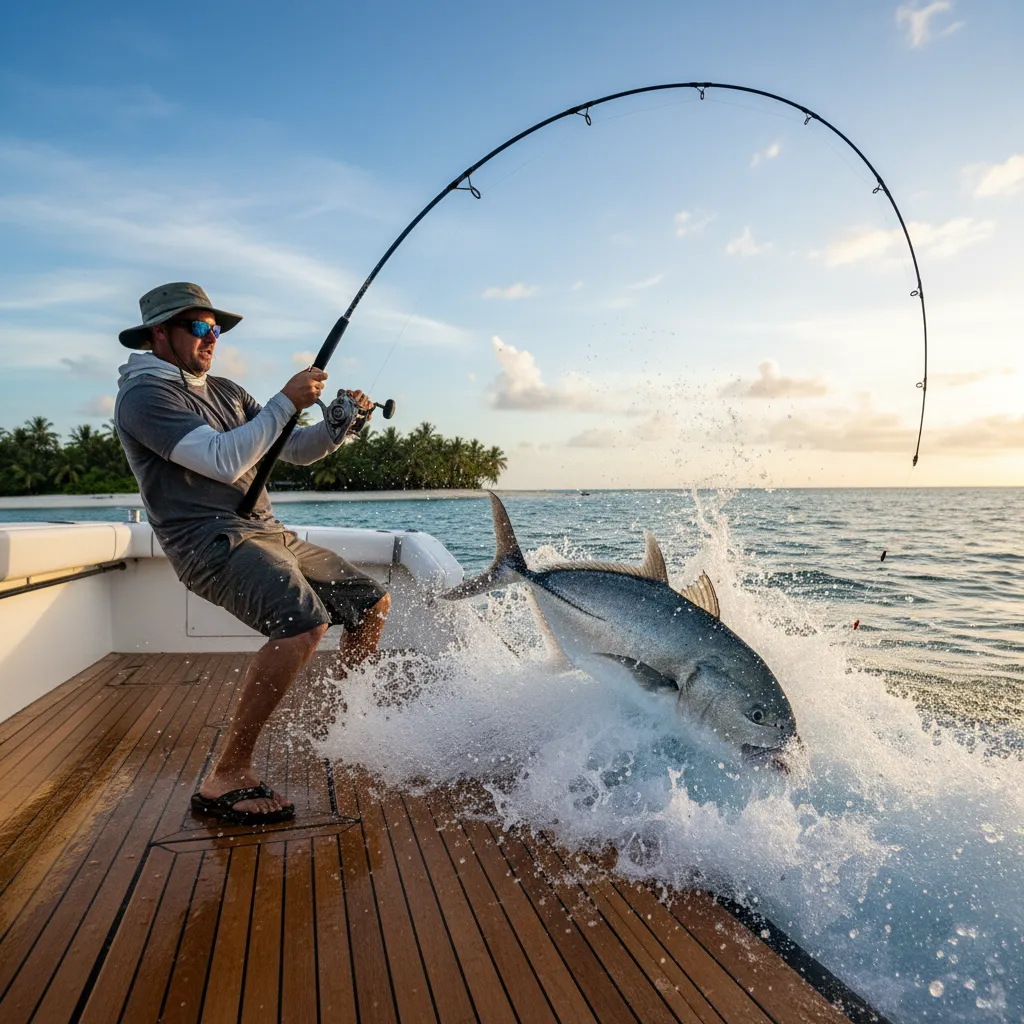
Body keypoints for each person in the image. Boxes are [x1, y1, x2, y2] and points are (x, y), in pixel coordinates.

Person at [114, 282, 390, 824]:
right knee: (302, 623)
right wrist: (287, 399)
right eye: (198, 327)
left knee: (371, 605)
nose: (210, 337)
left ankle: (346, 723)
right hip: (208, 541)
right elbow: (221, 459)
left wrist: (337, 425)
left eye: (216, 328)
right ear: (159, 335)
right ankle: (227, 774)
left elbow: (295, 449)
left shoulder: (227, 391)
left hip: (267, 531)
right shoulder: (145, 397)